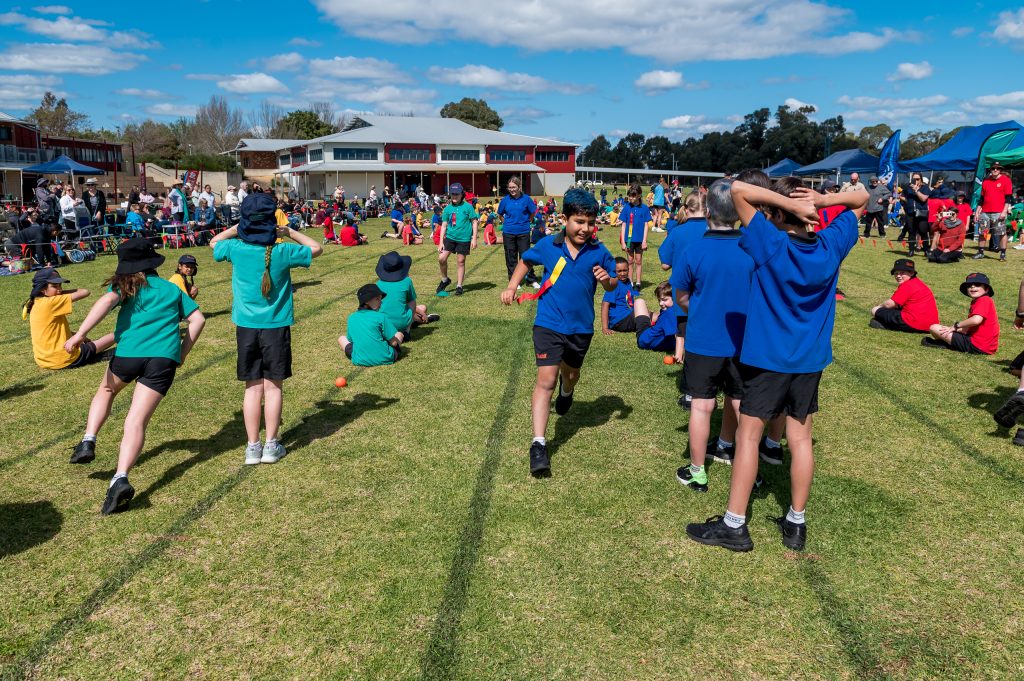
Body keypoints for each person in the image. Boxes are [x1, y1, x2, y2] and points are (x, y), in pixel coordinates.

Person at [685, 177, 867, 553]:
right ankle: (796, 522)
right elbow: (863, 197)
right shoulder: (830, 244)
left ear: (776, 214)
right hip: (809, 361)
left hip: (768, 360)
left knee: (749, 437)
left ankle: (735, 524)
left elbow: (737, 191)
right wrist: (822, 199)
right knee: (799, 439)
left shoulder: (771, 244)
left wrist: (796, 204)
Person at [64, 238, 206, 514]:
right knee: (136, 420)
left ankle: (88, 440)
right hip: (163, 359)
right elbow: (198, 320)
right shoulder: (170, 288)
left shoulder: (125, 285)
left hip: (129, 355)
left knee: (106, 391)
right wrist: (182, 353)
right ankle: (120, 478)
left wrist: (80, 335)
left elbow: (106, 301)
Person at [500, 188, 617, 476]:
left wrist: (607, 281)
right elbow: (526, 260)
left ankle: (568, 389)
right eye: (579, 222)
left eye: (590, 223)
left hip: (580, 328)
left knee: (572, 374)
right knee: (546, 379)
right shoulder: (548, 245)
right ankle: (538, 443)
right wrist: (513, 286)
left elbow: (614, 283)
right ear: (564, 219)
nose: (585, 228)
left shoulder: (599, 251)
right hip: (548, 324)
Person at [210, 188, 323, 466]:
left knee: (252, 388)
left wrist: (238, 228)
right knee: (273, 387)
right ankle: (271, 445)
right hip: (276, 326)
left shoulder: (236, 248)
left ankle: (252, 447)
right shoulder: (283, 251)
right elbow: (316, 248)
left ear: (246, 221)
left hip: (246, 327)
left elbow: (214, 242)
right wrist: (288, 232)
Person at [671, 179, 755, 492]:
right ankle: (748, 466)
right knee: (741, 404)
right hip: (742, 341)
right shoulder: (751, 248)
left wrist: (703, 308)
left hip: (703, 340)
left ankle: (697, 471)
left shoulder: (694, 250)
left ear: (707, 211)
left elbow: (681, 297)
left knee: (702, 406)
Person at [23, 267, 115, 370]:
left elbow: (51, 330)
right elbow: (85, 292)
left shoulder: (36, 301)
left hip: (44, 360)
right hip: (63, 358)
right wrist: (60, 294)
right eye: (54, 286)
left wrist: (77, 335)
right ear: (42, 289)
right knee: (117, 334)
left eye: (60, 285)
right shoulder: (51, 302)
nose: (60, 289)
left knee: (89, 345)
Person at [922, 273, 999, 354]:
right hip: (984, 345)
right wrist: (955, 329)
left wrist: (956, 325)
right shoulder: (980, 300)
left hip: (978, 345)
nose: (972, 286)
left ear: (986, 289)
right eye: (969, 285)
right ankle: (949, 343)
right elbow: (973, 326)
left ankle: (948, 344)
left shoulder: (983, 300)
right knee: (943, 329)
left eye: (977, 284)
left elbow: (976, 320)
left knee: (934, 328)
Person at [375, 250, 440, 335]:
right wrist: (421, 312)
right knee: (420, 307)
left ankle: (416, 320)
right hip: (401, 322)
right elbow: (410, 302)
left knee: (420, 308)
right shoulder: (407, 281)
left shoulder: (378, 284)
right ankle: (408, 329)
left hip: (383, 324)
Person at [339, 284, 405, 367]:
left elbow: (351, 340)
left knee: (341, 338)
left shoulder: (351, 318)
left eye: (381, 299)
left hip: (359, 360)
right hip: (386, 357)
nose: (381, 302)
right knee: (399, 334)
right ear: (366, 301)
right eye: (377, 299)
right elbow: (394, 343)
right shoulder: (381, 317)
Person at [869, 259, 938, 333]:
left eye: (902, 273)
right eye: (896, 273)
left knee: (875, 310)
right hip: (930, 325)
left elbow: (889, 304)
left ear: (911, 273)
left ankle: (887, 325)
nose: (898, 276)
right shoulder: (917, 282)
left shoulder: (907, 285)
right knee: (892, 311)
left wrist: (879, 306)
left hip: (914, 323)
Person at [498, 176, 539, 290]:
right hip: (508, 233)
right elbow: (500, 214)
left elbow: (532, 213)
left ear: (519, 187)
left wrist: (528, 222)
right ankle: (514, 281)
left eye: (514, 187)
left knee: (526, 256)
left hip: (523, 232)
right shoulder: (505, 200)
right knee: (511, 257)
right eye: (510, 187)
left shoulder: (526, 199)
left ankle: (531, 280)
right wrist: (506, 223)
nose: (512, 190)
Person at [437, 183, 479, 296]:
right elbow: (444, 225)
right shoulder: (447, 209)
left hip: (464, 239)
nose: (454, 196)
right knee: (441, 258)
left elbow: (474, 222)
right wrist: (441, 242)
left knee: (460, 261)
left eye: (457, 194)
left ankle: (459, 286)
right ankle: (445, 280)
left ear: (462, 194)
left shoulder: (468, 207)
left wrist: (474, 238)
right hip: (450, 238)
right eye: (452, 194)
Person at [973, 162, 1014, 261]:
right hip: (985, 212)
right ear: (990, 170)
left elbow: (1008, 198)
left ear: (1000, 170)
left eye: (997, 168)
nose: (995, 170)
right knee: (983, 232)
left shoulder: (1006, 180)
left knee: (1001, 233)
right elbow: (982, 199)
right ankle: (981, 252)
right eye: (993, 168)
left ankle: (1003, 254)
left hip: (999, 212)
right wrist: (977, 212)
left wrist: (1004, 211)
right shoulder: (986, 181)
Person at [618, 183, 652, 289]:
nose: (631, 198)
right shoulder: (627, 207)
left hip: (640, 240)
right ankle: (630, 282)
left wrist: (644, 241)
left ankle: (638, 283)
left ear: (639, 195)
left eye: (633, 196)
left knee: (638, 261)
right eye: (630, 196)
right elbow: (623, 225)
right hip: (629, 240)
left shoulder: (645, 208)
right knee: (630, 261)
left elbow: (646, 225)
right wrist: (623, 242)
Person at [633, 282, 679, 354]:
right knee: (640, 304)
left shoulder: (669, 313)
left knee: (639, 302)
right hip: (648, 339)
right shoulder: (677, 310)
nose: (660, 303)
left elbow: (677, 335)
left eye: (664, 300)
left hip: (645, 340)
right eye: (659, 300)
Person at [601, 257, 638, 335]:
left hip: (629, 315)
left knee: (649, 315)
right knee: (647, 316)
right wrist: (605, 328)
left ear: (629, 269)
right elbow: (605, 305)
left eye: (625, 270)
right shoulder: (614, 284)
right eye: (619, 271)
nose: (623, 273)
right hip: (620, 320)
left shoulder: (628, 282)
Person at [903, 173, 931, 257]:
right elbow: (902, 196)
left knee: (923, 231)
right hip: (910, 212)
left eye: (918, 179)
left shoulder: (925, 187)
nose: (916, 181)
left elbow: (923, 198)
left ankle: (926, 250)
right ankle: (911, 250)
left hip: (921, 213)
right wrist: (908, 203)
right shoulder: (908, 187)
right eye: (914, 179)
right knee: (911, 232)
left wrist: (916, 190)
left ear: (921, 179)